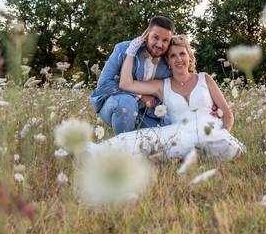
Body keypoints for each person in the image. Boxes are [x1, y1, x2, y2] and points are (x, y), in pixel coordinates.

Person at [89, 34, 245, 162]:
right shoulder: (162, 85)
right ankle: (95, 153)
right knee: (140, 139)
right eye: (173, 56)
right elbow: (126, 84)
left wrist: (224, 131)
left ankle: (202, 151)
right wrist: (131, 51)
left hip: (212, 131)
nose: (179, 59)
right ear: (168, 61)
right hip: (179, 133)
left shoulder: (205, 79)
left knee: (223, 145)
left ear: (189, 56)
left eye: (182, 54)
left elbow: (227, 114)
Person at [90, 16, 176, 134]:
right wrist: (140, 96)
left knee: (165, 134)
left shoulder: (169, 62)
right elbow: (104, 84)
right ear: (146, 35)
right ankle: (122, 149)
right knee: (127, 102)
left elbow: (184, 83)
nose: (160, 44)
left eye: (165, 40)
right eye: (155, 37)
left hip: (146, 112)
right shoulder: (123, 49)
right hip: (114, 103)